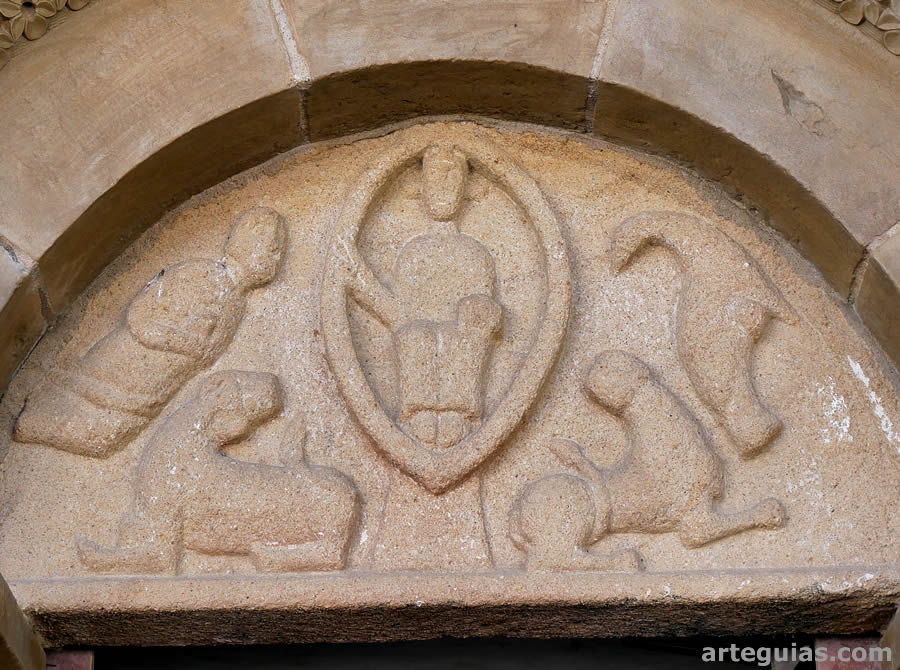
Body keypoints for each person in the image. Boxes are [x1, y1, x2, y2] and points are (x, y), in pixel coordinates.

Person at [14, 207, 286, 457]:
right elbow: (140, 316)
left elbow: (203, 355)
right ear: (243, 242)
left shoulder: (236, 305)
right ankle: (30, 420)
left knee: (106, 438)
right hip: (120, 367)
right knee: (79, 421)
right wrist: (180, 342)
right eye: (270, 248)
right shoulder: (202, 274)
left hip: (151, 389)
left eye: (278, 253)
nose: (274, 259)